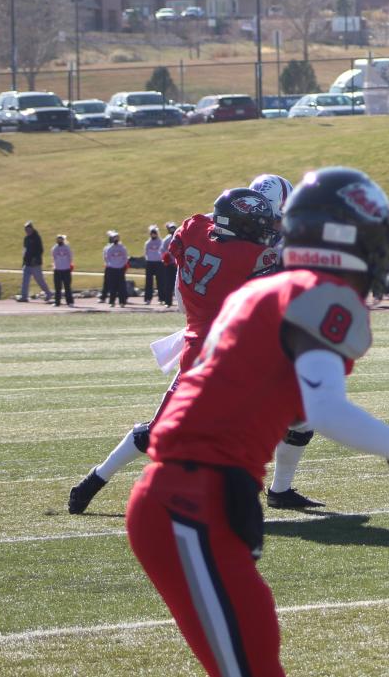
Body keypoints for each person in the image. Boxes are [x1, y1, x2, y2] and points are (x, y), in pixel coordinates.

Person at [125, 167, 389, 677]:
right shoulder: (323, 298)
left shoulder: (265, 290)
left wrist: (238, 482)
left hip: (199, 491)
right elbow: (326, 411)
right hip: (192, 499)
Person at [69, 189, 288, 514]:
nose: (262, 232)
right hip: (227, 353)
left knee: (163, 429)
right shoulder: (251, 256)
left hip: (197, 340)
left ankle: (93, 481)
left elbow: (179, 249)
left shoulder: (195, 227)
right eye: (256, 226)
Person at [18, 221, 52, 303]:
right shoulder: (26, 239)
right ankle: (24, 296)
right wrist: (24, 261)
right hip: (27, 263)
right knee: (25, 280)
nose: (27, 231)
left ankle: (48, 293)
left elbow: (40, 250)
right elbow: (25, 250)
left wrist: (35, 259)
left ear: (32, 228)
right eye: (26, 230)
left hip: (35, 264)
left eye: (28, 229)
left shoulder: (37, 238)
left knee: (40, 280)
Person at [102, 231, 130, 308]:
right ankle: (112, 301)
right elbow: (107, 258)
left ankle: (122, 302)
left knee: (121, 286)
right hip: (112, 269)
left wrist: (122, 265)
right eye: (114, 238)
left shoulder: (122, 248)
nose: (116, 239)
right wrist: (112, 265)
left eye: (117, 238)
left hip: (120, 269)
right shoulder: (109, 248)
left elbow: (125, 257)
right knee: (112, 286)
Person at [157, 221, 178, 307]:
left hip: (179, 263)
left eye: (174, 228)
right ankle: (168, 302)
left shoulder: (179, 237)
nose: (172, 230)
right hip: (170, 264)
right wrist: (167, 256)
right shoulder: (166, 239)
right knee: (169, 283)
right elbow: (162, 250)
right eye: (171, 228)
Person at [142, 226, 164, 304]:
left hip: (159, 263)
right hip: (150, 262)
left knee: (160, 281)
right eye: (152, 233)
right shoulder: (148, 243)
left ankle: (161, 298)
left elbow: (163, 251)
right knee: (148, 282)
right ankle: (148, 299)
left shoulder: (161, 242)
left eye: (155, 233)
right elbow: (146, 253)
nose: (153, 235)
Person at [51, 234, 75, 307]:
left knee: (67, 287)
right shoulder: (54, 248)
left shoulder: (67, 248)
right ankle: (57, 302)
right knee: (57, 287)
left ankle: (70, 302)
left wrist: (67, 265)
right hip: (57, 269)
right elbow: (54, 257)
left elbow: (70, 257)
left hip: (66, 269)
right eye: (58, 239)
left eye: (61, 239)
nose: (59, 240)